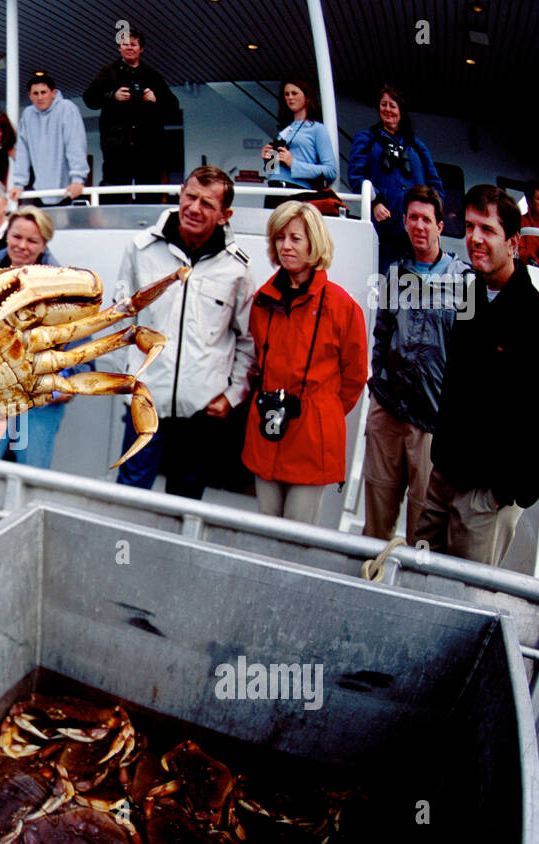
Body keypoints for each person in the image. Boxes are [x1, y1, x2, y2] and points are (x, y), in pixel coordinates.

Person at [413, 185, 539, 567]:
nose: (474, 239)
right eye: (468, 227)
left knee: (462, 602)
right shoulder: (471, 295)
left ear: (513, 242)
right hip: (443, 478)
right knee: (417, 574)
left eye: (487, 229)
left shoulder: (536, 321)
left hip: (484, 497)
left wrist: (506, 493)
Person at [113, 166, 257, 500]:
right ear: (180, 194)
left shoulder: (237, 267)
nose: (194, 208)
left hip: (201, 413)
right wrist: (125, 383)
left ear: (225, 215)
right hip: (146, 401)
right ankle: (121, 553)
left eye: (208, 204)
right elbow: (119, 318)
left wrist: (232, 395)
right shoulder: (140, 249)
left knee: (186, 502)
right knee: (129, 498)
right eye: (190, 197)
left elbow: (247, 339)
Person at [241, 201, 368, 524]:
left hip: (312, 437)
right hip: (268, 429)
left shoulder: (342, 307)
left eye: (295, 239)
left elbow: (354, 377)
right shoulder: (262, 301)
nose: (285, 246)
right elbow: (256, 358)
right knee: (265, 526)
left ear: (314, 243)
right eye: (280, 238)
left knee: (298, 534)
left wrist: (321, 414)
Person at [362, 185, 470, 541]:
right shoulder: (395, 273)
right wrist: (379, 388)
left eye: (427, 219)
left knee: (423, 522)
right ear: (405, 222)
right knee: (377, 512)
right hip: (389, 411)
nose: (419, 226)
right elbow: (381, 334)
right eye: (413, 219)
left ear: (441, 225)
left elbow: (467, 353)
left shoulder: (466, 282)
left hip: (431, 421)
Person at [0, 207, 68, 468]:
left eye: (32, 240)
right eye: (17, 237)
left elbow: (81, 342)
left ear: (44, 244)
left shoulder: (65, 285)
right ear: (7, 236)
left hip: (40, 399)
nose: (22, 246)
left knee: (32, 473)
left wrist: (63, 384)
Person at [349, 86, 444, 272]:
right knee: (386, 279)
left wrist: (431, 215)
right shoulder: (366, 139)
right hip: (384, 226)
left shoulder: (416, 145)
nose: (387, 109)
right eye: (383, 104)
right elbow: (356, 176)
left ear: (401, 110)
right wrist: (375, 202)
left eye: (392, 105)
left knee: (418, 278)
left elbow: (435, 184)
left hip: (415, 228)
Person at [82, 28, 175, 204]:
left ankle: (148, 227)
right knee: (114, 193)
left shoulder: (152, 75)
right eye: (125, 44)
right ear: (119, 48)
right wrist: (112, 96)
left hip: (148, 147)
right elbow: (89, 98)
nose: (129, 48)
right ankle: (113, 229)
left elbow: (172, 106)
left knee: (149, 193)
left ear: (141, 49)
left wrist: (156, 99)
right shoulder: (107, 72)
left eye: (133, 44)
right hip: (116, 148)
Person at [9, 73, 89, 206]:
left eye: (43, 92)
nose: (40, 97)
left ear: (53, 93)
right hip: (41, 192)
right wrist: (19, 184)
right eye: (35, 93)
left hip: (69, 190)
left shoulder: (66, 108)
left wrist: (78, 180)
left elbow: (75, 145)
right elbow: (23, 152)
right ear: (29, 95)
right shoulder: (28, 115)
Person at [260, 79, 338, 192]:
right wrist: (268, 160)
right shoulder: (285, 129)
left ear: (307, 97)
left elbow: (330, 171)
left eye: (294, 93)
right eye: (286, 94)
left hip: (297, 190)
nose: (290, 97)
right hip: (274, 186)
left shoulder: (317, 129)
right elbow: (273, 170)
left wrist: (293, 164)